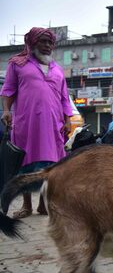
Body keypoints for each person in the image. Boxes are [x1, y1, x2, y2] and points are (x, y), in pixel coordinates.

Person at [0, 27, 73, 219]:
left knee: (50, 164)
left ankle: (42, 205)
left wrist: (67, 120)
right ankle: (26, 206)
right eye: (43, 41)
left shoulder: (57, 69)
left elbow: (65, 98)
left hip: (53, 124)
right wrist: (6, 110)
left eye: (50, 42)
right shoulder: (18, 64)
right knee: (25, 162)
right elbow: (8, 90)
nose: (48, 46)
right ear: (32, 43)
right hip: (27, 122)